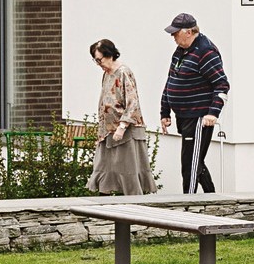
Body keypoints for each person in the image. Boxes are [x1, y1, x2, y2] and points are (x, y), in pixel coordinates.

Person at [159, 12, 227, 194]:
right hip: (183, 115)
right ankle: (212, 198)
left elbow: (221, 85)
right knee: (196, 161)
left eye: (175, 33)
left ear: (188, 32)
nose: (173, 37)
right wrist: (165, 112)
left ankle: (188, 203)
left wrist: (213, 113)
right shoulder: (181, 50)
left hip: (198, 116)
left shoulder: (206, 51)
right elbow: (171, 80)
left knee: (190, 164)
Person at [87, 38, 150, 196]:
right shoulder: (106, 74)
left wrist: (122, 127)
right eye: (95, 61)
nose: (98, 64)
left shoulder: (123, 72)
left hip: (125, 132)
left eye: (99, 60)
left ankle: (133, 207)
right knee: (103, 169)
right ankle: (104, 205)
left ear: (110, 55)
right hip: (108, 132)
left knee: (128, 172)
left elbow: (133, 102)